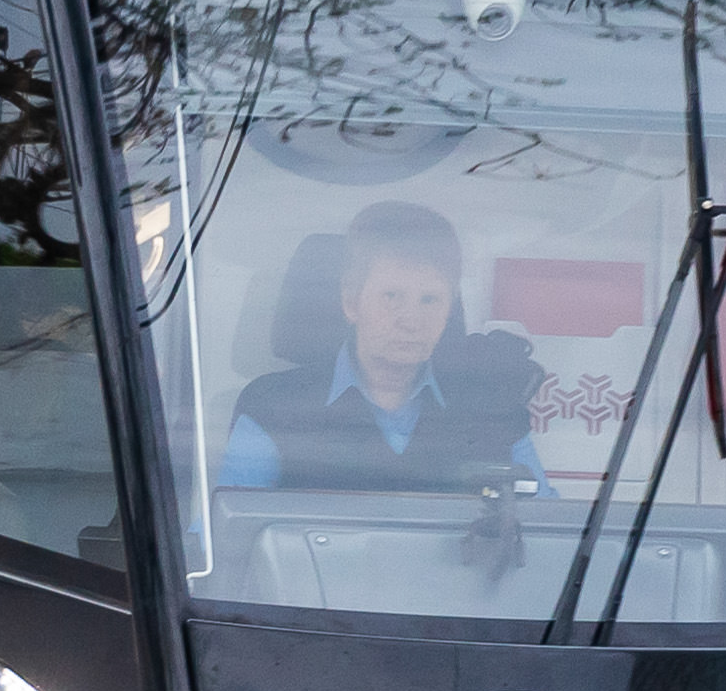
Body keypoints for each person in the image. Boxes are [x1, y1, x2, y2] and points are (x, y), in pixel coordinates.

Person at [217, 202, 543, 496]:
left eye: (429, 300)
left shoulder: (493, 411)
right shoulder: (274, 409)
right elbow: (226, 541)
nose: (411, 320)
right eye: (392, 297)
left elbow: (547, 531)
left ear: (449, 310)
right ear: (351, 300)